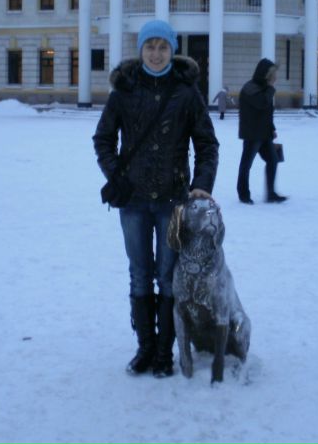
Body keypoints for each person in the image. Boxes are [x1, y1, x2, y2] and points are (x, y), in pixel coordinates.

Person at [93, 19, 219, 378]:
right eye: (150, 46)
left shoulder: (186, 92)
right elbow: (103, 139)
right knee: (138, 275)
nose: (157, 53)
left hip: (171, 201)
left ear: (172, 50)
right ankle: (145, 348)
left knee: (167, 276)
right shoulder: (124, 91)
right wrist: (116, 176)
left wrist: (202, 184)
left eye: (163, 46)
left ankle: (165, 351)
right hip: (132, 201)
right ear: (141, 49)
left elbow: (207, 144)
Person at [236, 58, 287, 204]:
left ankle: (271, 194)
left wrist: (272, 129)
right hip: (252, 134)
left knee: (273, 160)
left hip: (264, 134)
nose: (275, 78)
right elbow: (262, 104)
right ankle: (243, 194)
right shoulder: (250, 88)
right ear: (266, 75)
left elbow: (266, 113)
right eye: (273, 75)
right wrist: (270, 87)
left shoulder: (263, 88)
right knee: (246, 164)